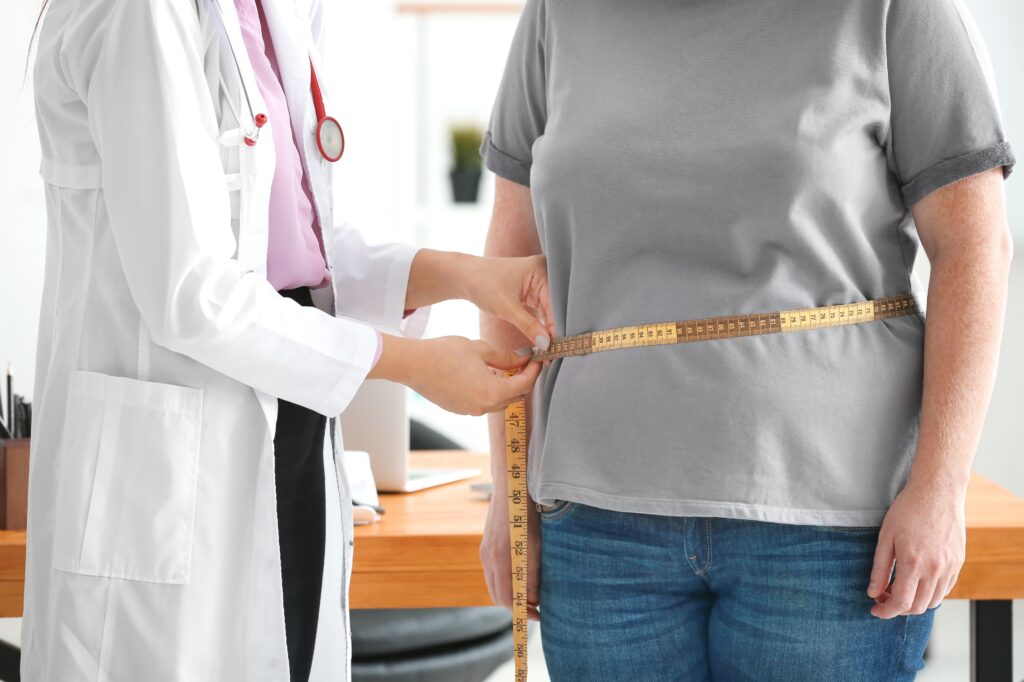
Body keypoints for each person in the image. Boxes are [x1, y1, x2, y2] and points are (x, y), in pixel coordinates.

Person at [478, 0, 1015, 679]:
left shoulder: (893, 11)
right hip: (596, 527)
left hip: (830, 532)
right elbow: (508, 270)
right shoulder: (558, 14)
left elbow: (973, 248)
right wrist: (507, 489)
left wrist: (941, 490)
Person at [24, 0, 554, 680]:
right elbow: (193, 292)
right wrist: (413, 365)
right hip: (170, 468)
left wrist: (469, 277)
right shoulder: (139, 12)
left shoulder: (280, 10)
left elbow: (303, 254)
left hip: (290, 435)